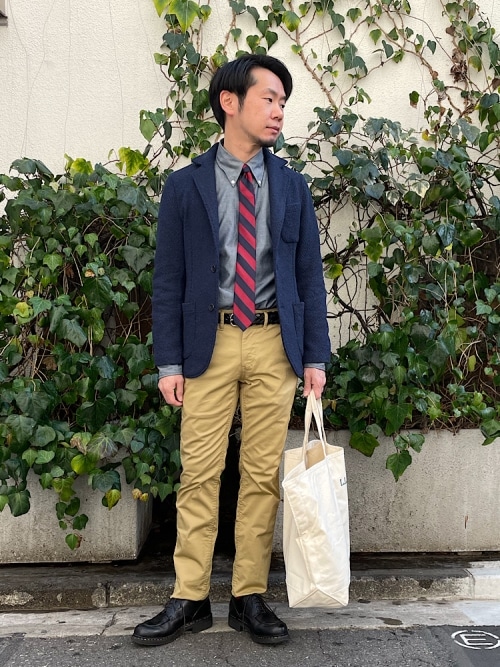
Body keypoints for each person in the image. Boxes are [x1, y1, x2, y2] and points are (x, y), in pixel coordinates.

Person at [132, 53, 330, 647]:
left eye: (283, 103)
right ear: (230, 102)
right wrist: (169, 362)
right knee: (198, 473)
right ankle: (189, 597)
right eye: (268, 98)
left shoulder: (291, 185)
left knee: (262, 476)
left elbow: (309, 276)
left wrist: (315, 358)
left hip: (274, 343)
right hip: (207, 345)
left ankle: (249, 596)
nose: (278, 112)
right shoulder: (185, 185)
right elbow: (168, 279)